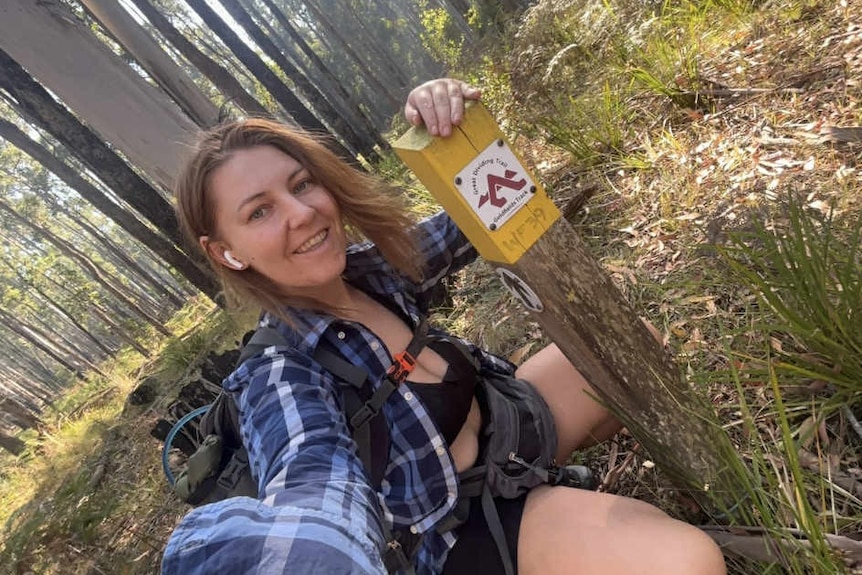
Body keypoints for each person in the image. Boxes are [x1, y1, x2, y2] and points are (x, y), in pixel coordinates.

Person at [161, 78, 726, 575]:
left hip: (507, 429)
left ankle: (559, 511)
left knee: (630, 348)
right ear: (227, 253)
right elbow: (312, 479)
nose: (301, 212)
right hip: (463, 526)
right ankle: (548, 533)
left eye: (302, 184)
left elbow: (479, 209)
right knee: (685, 563)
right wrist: (314, 553)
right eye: (259, 212)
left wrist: (448, 128)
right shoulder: (279, 374)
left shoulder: (370, 271)